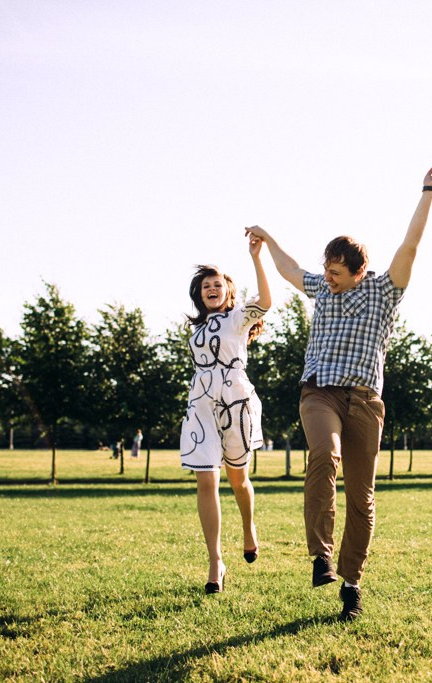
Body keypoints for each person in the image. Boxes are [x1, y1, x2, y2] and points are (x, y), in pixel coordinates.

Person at [245, 159, 432, 621]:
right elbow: (291, 270)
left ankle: (352, 584)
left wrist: (428, 192)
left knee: (362, 496)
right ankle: (321, 556)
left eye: (336, 272)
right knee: (323, 454)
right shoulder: (321, 290)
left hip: (365, 401)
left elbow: (409, 246)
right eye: (327, 270)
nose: (327, 278)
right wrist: (269, 240)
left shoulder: (384, 291)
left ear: (358, 270)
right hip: (320, 393)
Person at [179, 231, 271, 595]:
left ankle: (249, 529)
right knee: (206, 479)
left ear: (228, 292)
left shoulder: (237, 319)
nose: (212, 288)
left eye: (217, 284)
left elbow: (265, 300)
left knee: (237, 479)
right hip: (201, 403)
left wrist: (256, 257)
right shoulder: (197, 328)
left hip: (236, 401)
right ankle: (215, 561)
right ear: (199, 295)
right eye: (206, 286)